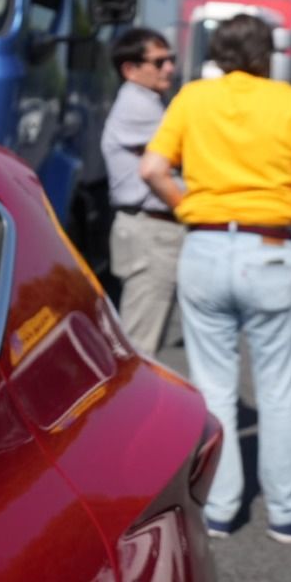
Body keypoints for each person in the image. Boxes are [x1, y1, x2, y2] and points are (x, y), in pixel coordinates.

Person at [139, 14, 291, 542]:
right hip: (269, 247)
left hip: (204, 247)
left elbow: (153, 170)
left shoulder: (190, 99)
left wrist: (191, 208)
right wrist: (289, 217)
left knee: (213, 389)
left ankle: (219, 509)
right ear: (267, 55)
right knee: (277, 392)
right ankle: (288, 513)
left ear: (216, 54)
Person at [100, 27, 182, 353]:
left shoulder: (147, 102)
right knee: (139, 352)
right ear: (130, 69)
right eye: (159, 62)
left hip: (149, 229)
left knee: (141, 341)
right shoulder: (139, 106)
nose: (169, 68)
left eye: (171, 60)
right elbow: (197, 149)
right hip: (150, 231)